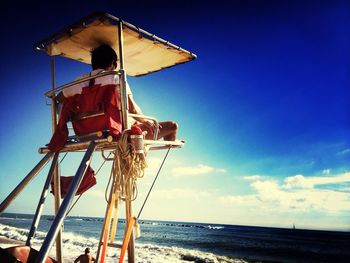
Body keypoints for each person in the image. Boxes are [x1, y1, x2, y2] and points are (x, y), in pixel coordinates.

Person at [56, 44, 178, 141]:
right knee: (172, 126)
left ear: (93, 64)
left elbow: (58, 98)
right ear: (113, 63)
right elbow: (133, 110)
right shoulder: (116, 78)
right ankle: (160, 149)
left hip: (84, 134)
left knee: (137, 124)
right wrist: (148, 121)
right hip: (117, 132)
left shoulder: (79, 82)